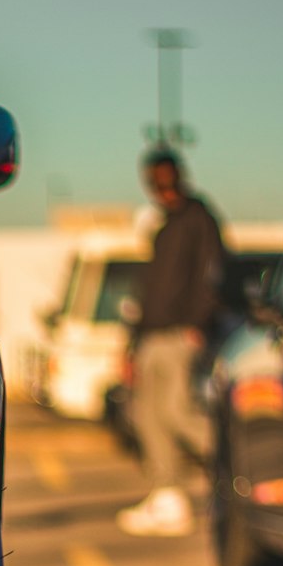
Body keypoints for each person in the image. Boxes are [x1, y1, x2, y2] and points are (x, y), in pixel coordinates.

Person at [116, 148, 225, 537]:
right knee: (147, 417)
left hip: (181, 334)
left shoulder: (199, 218)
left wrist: (198, 324)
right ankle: (169, 499)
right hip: (150, 337)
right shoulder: (161, 227)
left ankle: (236, 464)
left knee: (179, 413)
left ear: (177, 175)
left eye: (164, 177)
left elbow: (212, 274)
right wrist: (131, 345)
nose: (159, 186)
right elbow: (149, 291)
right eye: (153, 180)